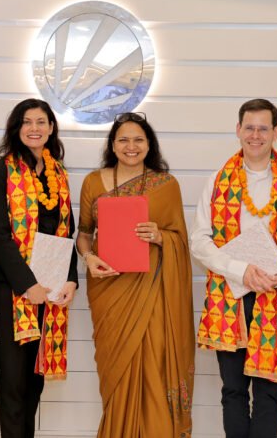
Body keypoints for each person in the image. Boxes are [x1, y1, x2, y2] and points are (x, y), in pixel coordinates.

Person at [75, 112, 195, 437]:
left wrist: (160, 237)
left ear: (149, 144)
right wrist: (88, 257)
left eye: (138, 139)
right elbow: (84, 233)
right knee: (115, 373)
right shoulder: (93, 181)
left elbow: (181, 242)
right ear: (112, 145)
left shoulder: (166, 185)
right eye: (123, 139)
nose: (131, 146)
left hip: (153, 293)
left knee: (155, 367)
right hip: (109, 292)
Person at [191, 99, 277, 438]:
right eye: (249, 127)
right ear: (238, 130)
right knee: (233, 391)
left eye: (263, 128)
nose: (256, 135)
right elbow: (199, 240)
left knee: (268, 393)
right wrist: (240, 269)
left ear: (276, 132)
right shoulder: (216, 180)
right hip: (230, 296)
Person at [0, 98, 78, 438]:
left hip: (52, 287)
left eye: (41, 121)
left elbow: (69, 230)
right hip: (13, 286)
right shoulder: (0, 171)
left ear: (51, 128)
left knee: (35, 380)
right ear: (16, 128)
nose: (34, 128)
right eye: (27, 122)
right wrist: (27, 284)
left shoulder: (58, 174)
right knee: (13, 381)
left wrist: (71, 280)